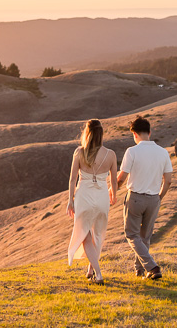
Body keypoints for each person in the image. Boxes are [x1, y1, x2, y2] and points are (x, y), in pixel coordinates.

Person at [116, 114, 173, 279]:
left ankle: (153, 267)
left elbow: (121, 178)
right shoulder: (163, 152)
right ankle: (140, 270)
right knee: (145, 236)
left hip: (135, 197)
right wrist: (159, 197)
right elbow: (168, 181)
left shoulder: (132, 151)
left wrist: (112, 192)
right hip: (154, 198)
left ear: (134, 134)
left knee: (132, 235)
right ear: (150, 132)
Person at [66, 118, 117, 284]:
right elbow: (114, 181)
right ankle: (90, 270)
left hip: (84, 197)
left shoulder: (79, 152)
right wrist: (114, 195)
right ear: (101, 134)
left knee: (86, 236)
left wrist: (70, 200)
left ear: (87, 133)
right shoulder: (110, 154)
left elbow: (73, 179)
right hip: (102, 198)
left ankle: (98, 274)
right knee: (98, 235)